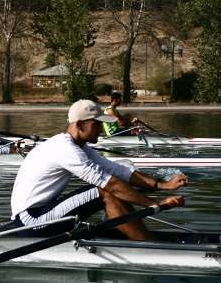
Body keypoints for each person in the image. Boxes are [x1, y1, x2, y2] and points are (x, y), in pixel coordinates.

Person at [10, 99, 187, 240]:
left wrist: (162, 185)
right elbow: (110, 185)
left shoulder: (79, 146)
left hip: (43, 212)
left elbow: (117, 170)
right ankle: (148, 247)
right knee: (106, 191)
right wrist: (154, 204)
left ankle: (139, 237)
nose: (101, 130)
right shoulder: (65, 149)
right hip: (30, 221)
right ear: (79, 125)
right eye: (97, 125)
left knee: (115, 186)